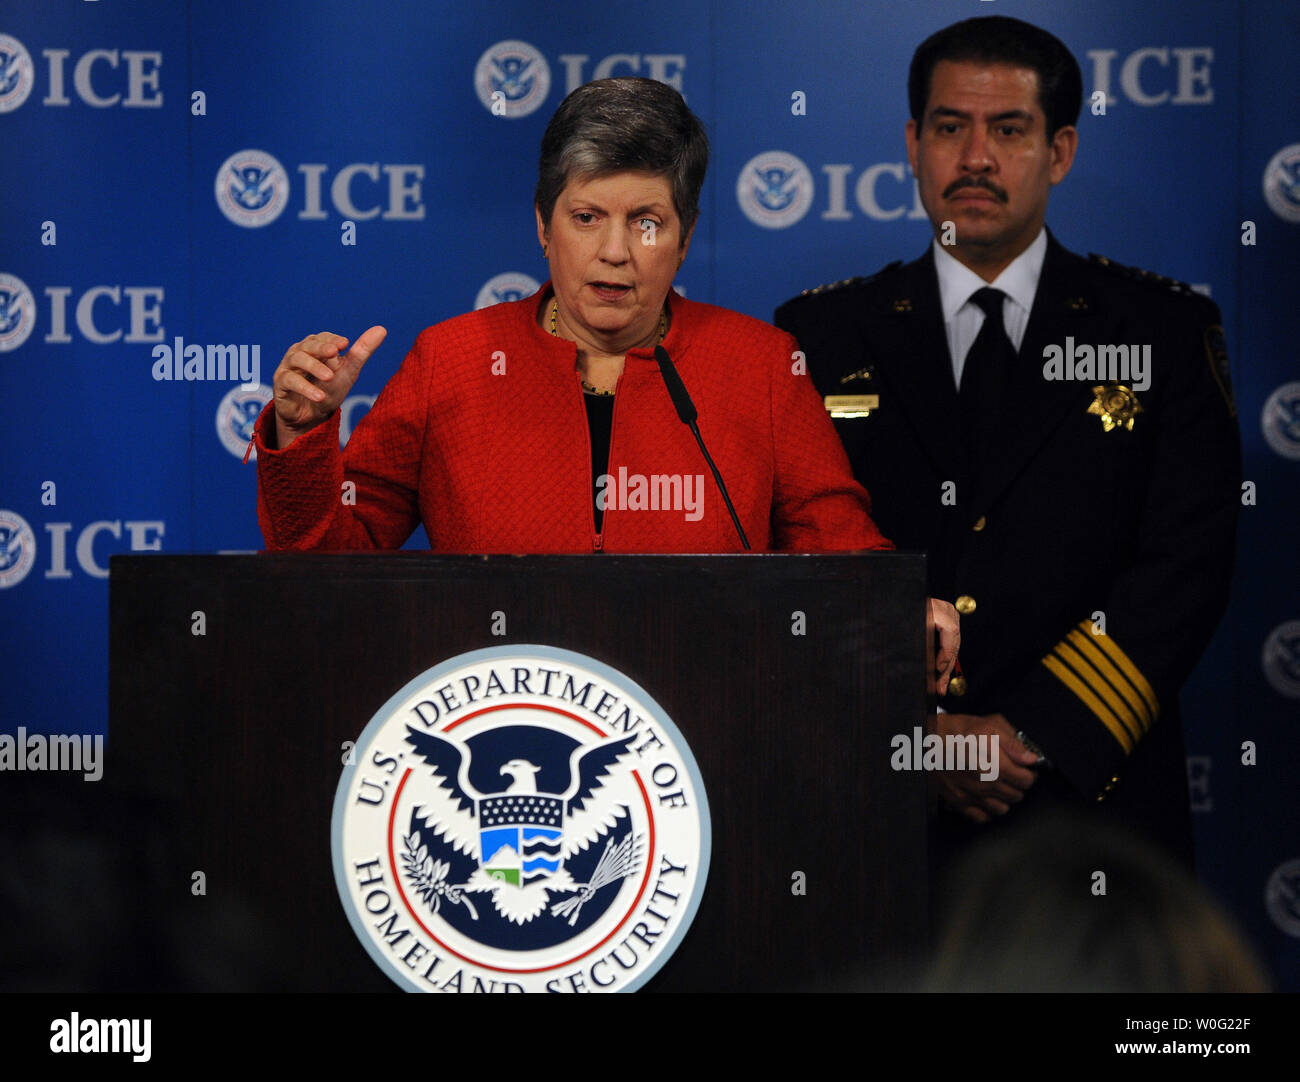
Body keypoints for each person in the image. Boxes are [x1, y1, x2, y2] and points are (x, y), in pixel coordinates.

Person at [251, 77, 959, 683]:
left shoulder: (762, 365)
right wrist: (303, 434)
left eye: (647, 222)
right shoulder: (453, 361)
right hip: (491, 724)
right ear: (543, 227)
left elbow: (839, 547)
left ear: (684, 238)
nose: (616, 252)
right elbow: (327, 576)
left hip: (706, 736)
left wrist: (900, 605)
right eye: (587, 218)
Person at [775, 16, 1240, 865]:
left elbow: (1188, 564)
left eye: (1009, 130)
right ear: (914, 143)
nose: (976, 158)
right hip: (880, 814)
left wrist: (1033, 730)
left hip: (1093, 812)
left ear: (1059, 152)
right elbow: (801, 571)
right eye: (950, 128)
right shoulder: (821, 335)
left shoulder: (1163, 331)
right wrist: (920, 738)